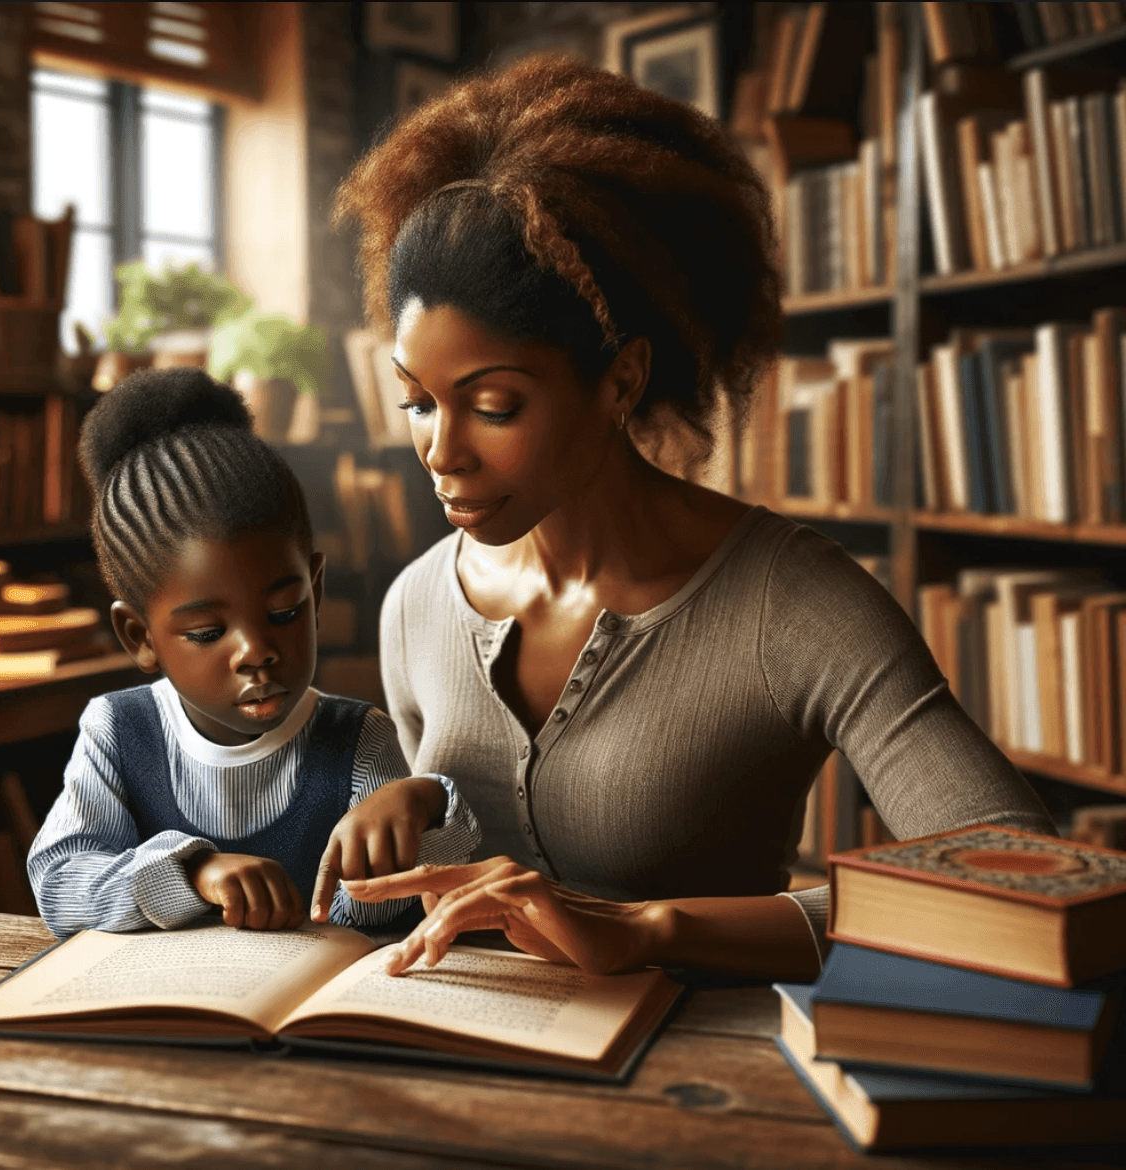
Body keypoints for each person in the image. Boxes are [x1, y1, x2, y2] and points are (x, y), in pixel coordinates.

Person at [329, 54, 1056, 982]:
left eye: (495, 405)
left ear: (620, 379)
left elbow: (1022, 877)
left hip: (711, 1100)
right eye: (419, 402)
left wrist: (654, 930)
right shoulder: (413, 607)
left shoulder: (792, 603)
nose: (442, 451)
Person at [27, 369, 480, 939]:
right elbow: (59, 884)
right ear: (139, 637)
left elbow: (388, 912)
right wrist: (191, 873)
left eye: (285, 612)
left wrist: (423, 802)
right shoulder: (116, 733)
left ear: (314, 590)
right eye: (208, 633)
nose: (258, 652)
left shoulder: (361, 742)